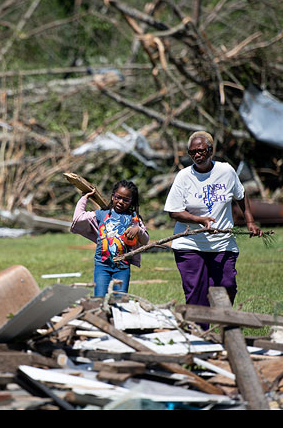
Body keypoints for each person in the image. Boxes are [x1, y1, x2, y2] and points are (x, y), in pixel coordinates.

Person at [163, 131, 263, 315]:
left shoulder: (226, 171)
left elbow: (240, 195)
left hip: (223, 243)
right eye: (192, 152)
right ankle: (200, 333)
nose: (197, 155)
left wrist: (250, 221)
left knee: (227, 285)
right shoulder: (184, 177)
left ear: (210, 151)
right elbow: (173, 211)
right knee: (197, 293)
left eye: (201, 150)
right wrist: (198, 220)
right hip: (189, 243)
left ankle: (223, 322)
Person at [71, 180, 150, 297]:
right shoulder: (101, 214)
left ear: (131, 201)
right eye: (118, 197)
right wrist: (84, 198)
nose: (120, 202)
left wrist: (138, 229)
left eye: (126, 200)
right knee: (100, 298)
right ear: (113, 196)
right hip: (102, 266)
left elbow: (145, 240)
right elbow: (78, 218)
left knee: (120, 300)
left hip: (122, 267)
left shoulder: (134, 219)